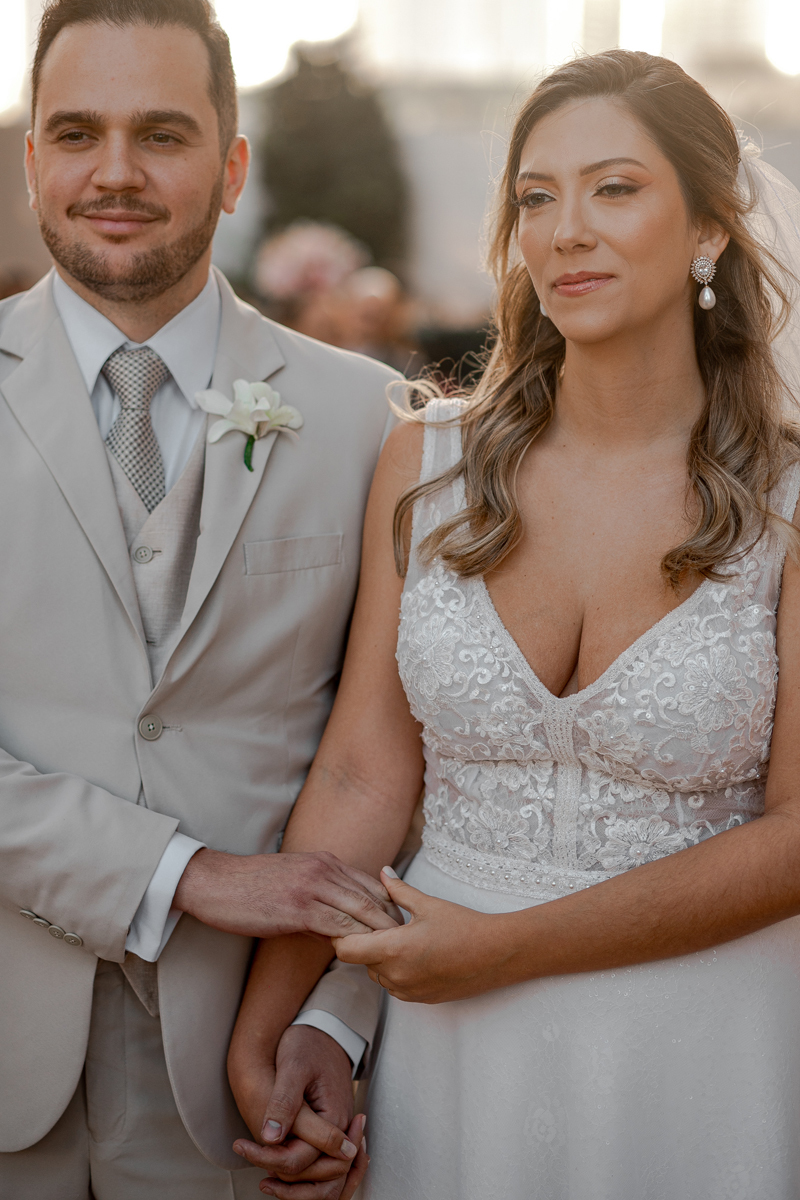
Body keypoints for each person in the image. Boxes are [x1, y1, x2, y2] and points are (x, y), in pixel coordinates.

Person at [229, 50, 800, 1199]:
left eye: (614, 188)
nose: (564, 230)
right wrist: (281, 1021)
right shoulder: (427, 465)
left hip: (699, 1054)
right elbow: (359, 775)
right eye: (535, 197)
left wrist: (499, 950)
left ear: (708, 228)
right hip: (447, 1053)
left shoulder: (784, 500)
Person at [0, 0, 402, 1195]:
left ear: (232, 169)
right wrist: (181, 872)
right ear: (32, 160)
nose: (114, 173)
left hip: (248, 1079)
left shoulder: (371, 420)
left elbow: (417, 757)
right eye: (77, 134)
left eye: (162, 134)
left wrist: (336, 1017)